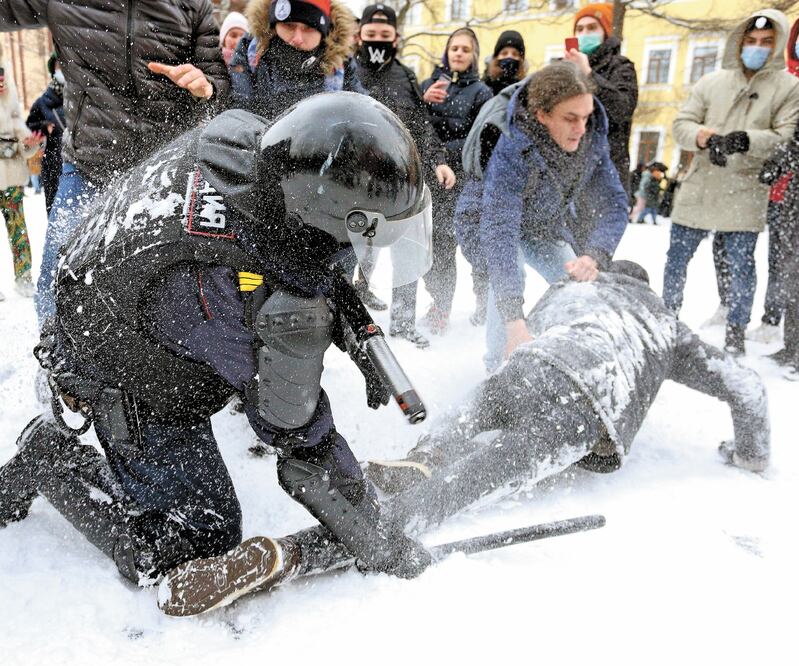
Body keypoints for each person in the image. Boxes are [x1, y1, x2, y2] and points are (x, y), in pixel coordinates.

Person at [0, 94, 431, 589]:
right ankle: (52, 461)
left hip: (114, 300)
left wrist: (350, 328)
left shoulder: (249, 150)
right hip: (116, 365)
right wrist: (375, 535)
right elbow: (297, 436)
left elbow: (306, 256)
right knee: (199, 535)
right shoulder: (226, 285)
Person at [365, 263, 770, 534]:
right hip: (584, 405)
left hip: (532, 367)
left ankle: (431, 453)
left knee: (471, 414)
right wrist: (750, 453)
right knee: (472, 480)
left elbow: (529, 331)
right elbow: (747, 386)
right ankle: (389, 525)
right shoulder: (662, 323)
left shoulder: (576, 288)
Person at [0, 0, 230, 325]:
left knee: (172, 294)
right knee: (57, 283)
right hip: (88, 167)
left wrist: (206, 86)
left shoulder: (192, 5)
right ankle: (54, 369)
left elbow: (219, 84)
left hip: (166, 177)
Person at [460, 61, 627, 372]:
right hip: (485, 219)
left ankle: (575, 362)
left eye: (586, 117)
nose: (581, 129)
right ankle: (497, 369)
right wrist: (514, 320)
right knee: (510, 278)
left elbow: (615, 203)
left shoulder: (590, 136)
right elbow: (500, 230)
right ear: (541, 114)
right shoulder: (509, 144)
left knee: (575, 282)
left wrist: (594, 255)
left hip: (542, 224)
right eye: (570, 118)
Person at [664, 10, 799, 356]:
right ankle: (665, 321)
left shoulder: (789, 88)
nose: (756, 48)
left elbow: (785, 136)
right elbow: (681, 125)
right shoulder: (711, 82)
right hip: (702, 184)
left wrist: (745, 140)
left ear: (778, 45)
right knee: (677, 258)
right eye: (750, 41)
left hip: (744, 187)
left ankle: (736, 333)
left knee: (742, 263)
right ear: (739, 42)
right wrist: (704, 136)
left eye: (766, 42)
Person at [351, 3, 456, 347]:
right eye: (371, 35)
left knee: (408, 249)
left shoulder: (406, 75)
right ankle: (354, 311)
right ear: (359, 36)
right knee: (361, 247)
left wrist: (438, 160)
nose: (378, 41)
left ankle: (403, 321)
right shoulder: (348, 70)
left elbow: (422, 126)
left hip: (404, 178)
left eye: (385, 35)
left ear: (396, 38)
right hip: (358, 180)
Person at [418, 28, 492, 334]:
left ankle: (473, 302)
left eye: (465, 49)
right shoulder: (427, 84)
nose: (459, 53)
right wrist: (423, 100)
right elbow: (416, 124)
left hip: (460, 179)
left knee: (459, 243)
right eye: (454, 48)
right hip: (426, 175)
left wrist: (445, 157)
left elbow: (480, 137)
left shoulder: (481, 92)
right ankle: (439, 301)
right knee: (431, 245)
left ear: (474, 55)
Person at [229, 0, 363, 118]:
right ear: (273, 25)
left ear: (324, 32)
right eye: (289, 25)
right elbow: (239, 111)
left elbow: (360, 114)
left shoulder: (341, 63)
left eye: (309, 28)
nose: (297, 39)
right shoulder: (250, 52)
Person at [564, 2, 638, 194]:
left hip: (606, 174)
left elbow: (621, 109)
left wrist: (588, 74)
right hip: (569, 172)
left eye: (592, 27)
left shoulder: (621, 67)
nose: (584, 33)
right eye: (579, 29)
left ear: (605, 31)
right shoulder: (565, 68)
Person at [0, 57, 43, 300]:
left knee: (18, 232)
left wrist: (31, 144)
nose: (1, 80)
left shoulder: (13, 113)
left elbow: (26, 147)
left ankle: (24, 278)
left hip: (13, 181)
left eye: (3, 75)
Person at [759, 114, 799, 375]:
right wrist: (775, 163)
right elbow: (793, 144)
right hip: (794, 210)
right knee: (791, 280)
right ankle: (792, 346)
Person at [25, 53, 66, 216]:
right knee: (55, 210)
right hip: (53, 163)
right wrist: (43, 127)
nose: (63, 69)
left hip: (80, 161)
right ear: (53, 71)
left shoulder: (81, 97)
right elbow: (28, 129)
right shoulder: (42, 103)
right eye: (59, 66)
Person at [482, 30, 528, 97]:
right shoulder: (484, 86)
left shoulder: (526, 89)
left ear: (521, 60)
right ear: (496, 58)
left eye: (515, 54)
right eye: (504, 53)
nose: (509, 57)